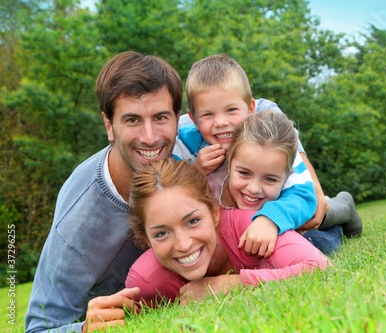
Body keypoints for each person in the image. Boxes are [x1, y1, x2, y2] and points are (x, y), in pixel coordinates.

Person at [25, 51, 183, 333]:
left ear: (177, 118)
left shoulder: (188, 147)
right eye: (132, 120)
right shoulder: (80, 220)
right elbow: (38, 328)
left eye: (160, 117)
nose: (150, 137)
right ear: (109, 126)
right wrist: (85, 328)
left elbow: (254, 111)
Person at [172, 54, 362, 255]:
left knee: (316, 239)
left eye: (231, 110)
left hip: (284, 218)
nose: (220, 122)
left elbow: (303, 193)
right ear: (193, 119)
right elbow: (169, 192)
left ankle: (343, 210)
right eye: (208, 114)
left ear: (250, 109)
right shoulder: (185, 148)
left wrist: (272, 218)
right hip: (236, 232)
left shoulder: (268, 138)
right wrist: (194, 172)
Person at [125, 158, 332, 306]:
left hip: (305, 231)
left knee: (323, 237)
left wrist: (234, 283)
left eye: (193, 221)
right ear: (147, 240)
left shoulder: (251, 228)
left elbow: (322, 268)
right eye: (161, 234)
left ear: (215, 213)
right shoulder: (145, 281)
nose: (184, 244)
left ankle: (342, 207)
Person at [219, 110, 343, 255]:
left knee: (318, 243)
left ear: (287, 178)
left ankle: (345, 208)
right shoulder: (214, 184)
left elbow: (304, 199)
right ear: (228, 165)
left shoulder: (295, 185)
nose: (253, 189)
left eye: (269, 179)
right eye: (244, 173)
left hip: (311, 220)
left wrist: (270, 219)